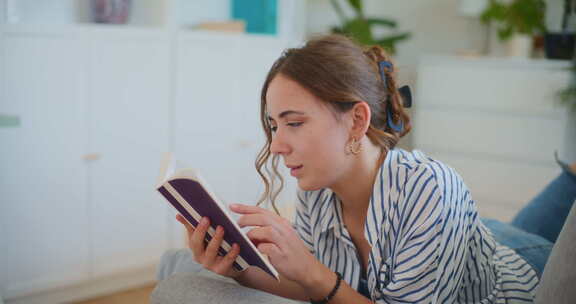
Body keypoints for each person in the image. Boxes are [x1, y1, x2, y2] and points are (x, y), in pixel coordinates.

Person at [172, 34, 576, 303]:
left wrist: (310, 270)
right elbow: (326, 290)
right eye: (275, 125)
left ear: (357, 121)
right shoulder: (316, 188)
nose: (277, 145)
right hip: (469, 239)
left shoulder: (429, 187)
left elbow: (321, 284)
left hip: (520, 270)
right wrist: (238, 269)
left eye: (294, 123)